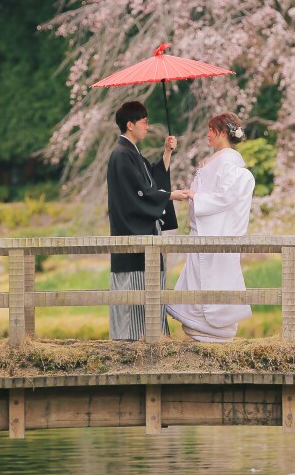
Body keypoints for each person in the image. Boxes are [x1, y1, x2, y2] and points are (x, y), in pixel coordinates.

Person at [167, 111, 256, 343]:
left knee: (214, 279)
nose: (207, 134)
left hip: (215, 233)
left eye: (211, 129)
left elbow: (224, 197)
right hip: (205, 233)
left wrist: (197, 196)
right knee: (201, 279)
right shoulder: (221, 161)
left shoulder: (229, 165)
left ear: (223, 133)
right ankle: (204, 327)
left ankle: (214, 329)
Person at [106, 100, 192, 340]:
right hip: (131, 232)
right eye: (144, 122)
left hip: (143, 231)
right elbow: (139, 193)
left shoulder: (131, 154)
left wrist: (167, 152)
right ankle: (132, 338)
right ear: (130, 124)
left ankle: (151, 335)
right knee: (135, 286)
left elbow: (151, 181)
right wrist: (170, 195)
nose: (147, 126)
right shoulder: (122, 155)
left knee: (149, 285)